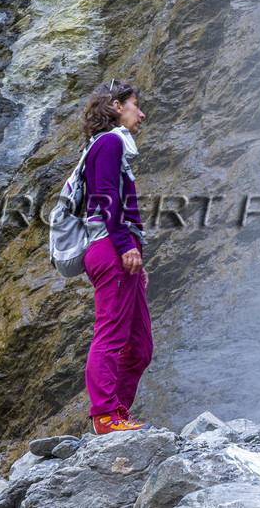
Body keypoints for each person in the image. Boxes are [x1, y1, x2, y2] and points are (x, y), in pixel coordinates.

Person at [80, 79, 154, 435]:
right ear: (115, 107)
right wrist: (125, 246)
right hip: (111, 249)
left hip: (122, 250)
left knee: (140, 346)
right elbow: (107, 196)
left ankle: (118, 413)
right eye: (134, 105)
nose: (141, 113)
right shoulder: (109, 142)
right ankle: (105, 416)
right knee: (110, 333)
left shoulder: (115, 147)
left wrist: (138, 257)